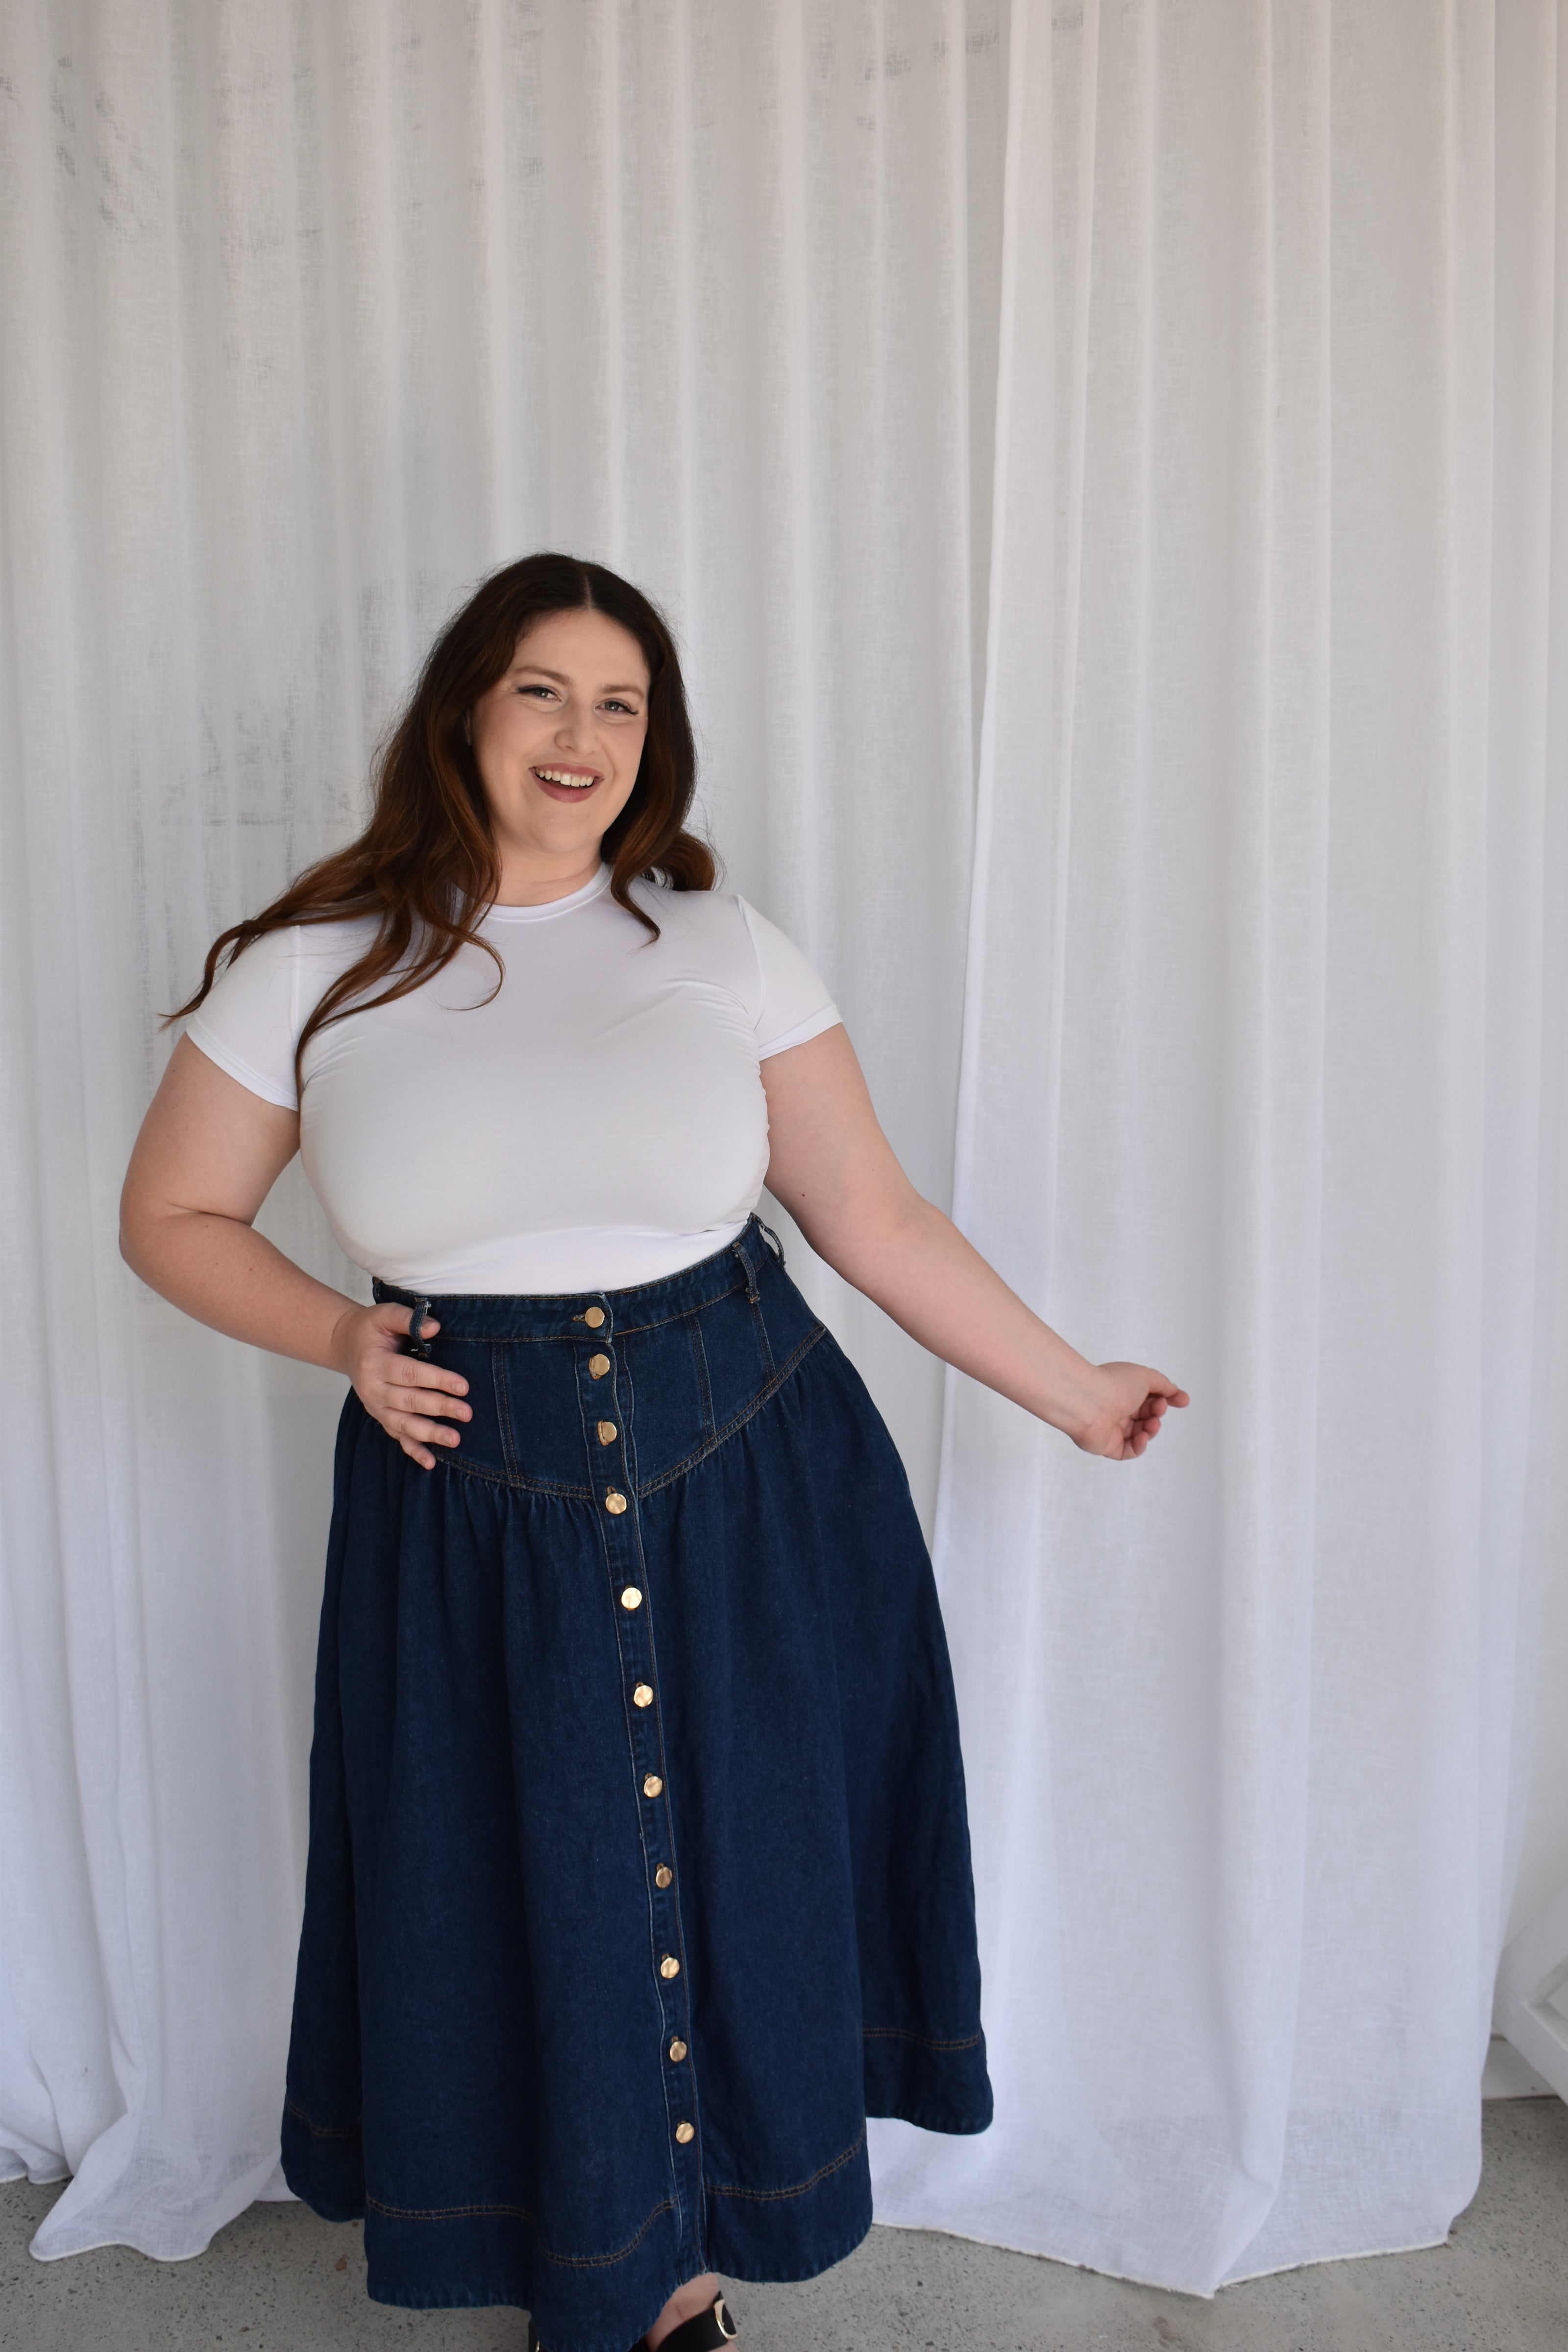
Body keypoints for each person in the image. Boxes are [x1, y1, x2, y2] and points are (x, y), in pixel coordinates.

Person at [120, 552, 1188, 2352]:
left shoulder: (719, 944)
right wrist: (339, 1337)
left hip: (749, 1468)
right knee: (515, 1879)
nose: (583, 735)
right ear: (467, 705)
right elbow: (172, 1215)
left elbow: (877, 1219)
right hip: (464, 1481)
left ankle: (678, 2285)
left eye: (622, 704)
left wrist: (1073, 1388)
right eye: (545, 689)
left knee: (738, 1864)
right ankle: (597, 2267)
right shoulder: (319, 966)